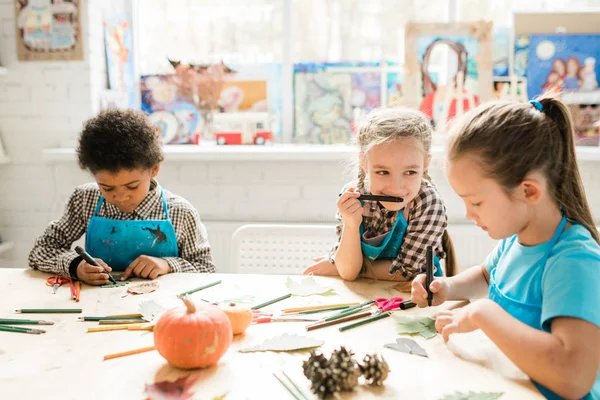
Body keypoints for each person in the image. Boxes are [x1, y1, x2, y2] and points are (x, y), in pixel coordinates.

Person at [412, 96, 600, 399]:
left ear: (528, 191)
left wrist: (483, 314)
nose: (469, 214)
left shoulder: (573, 260)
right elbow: (486, 279)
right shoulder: (515, 240)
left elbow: (574, 378)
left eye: (476, 202)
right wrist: (445, 287)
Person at [29, 109, 215, 285]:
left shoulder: (180, 212)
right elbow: (41, 251)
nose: (120, 197)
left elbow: (206, 269)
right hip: (97, 304)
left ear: (154, 169)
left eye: (132, 186)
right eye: (107, 188)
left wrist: (167, 265)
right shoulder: (86, 200)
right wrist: (76, 265)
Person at [305, 107, 456, 282]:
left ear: (425, 164)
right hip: (364, 294)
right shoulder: (354, 197)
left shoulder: (427, 202)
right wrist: (351, 224)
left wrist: (344, 267)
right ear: (364, 162)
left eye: (410, 172)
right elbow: (348, 272)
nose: (396, 187)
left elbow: (406, 272)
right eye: (383, 172)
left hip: (414, 298)